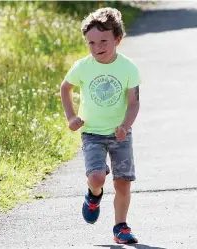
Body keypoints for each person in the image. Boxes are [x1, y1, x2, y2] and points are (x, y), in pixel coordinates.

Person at [60, 7, 141, 244]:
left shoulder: (128, 68)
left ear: (118, 39)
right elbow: (66, 88)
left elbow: (134, 103)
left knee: (122, 181)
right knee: (96, 177)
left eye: (104, 41)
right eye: (91, 43)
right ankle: (93, 196)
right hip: (92, 132)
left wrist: (125, 126)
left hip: (121, 134)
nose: (98, 48)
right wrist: (71, 117)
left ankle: (121, 227)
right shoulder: (83, 66)